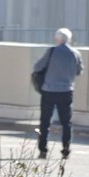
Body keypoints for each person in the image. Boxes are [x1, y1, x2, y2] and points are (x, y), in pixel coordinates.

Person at [33, 27, 83, 159]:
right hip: (66, 91)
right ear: (69, 39)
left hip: (49, 90)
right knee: (66, 122)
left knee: (45, 121)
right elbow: (79, 71)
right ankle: (65, 150)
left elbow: (38, 67)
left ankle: (43, 149)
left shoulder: (51, 52)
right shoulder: (75, 53)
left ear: (57, 39)